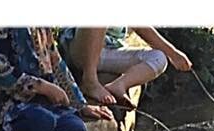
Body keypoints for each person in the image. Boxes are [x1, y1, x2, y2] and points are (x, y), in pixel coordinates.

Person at [58, 27, 193, 108]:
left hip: (108, 52)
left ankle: (119, 85)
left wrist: (173, 54)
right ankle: (90, 81)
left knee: (159, 58)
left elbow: (141, 28)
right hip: (80, 52)